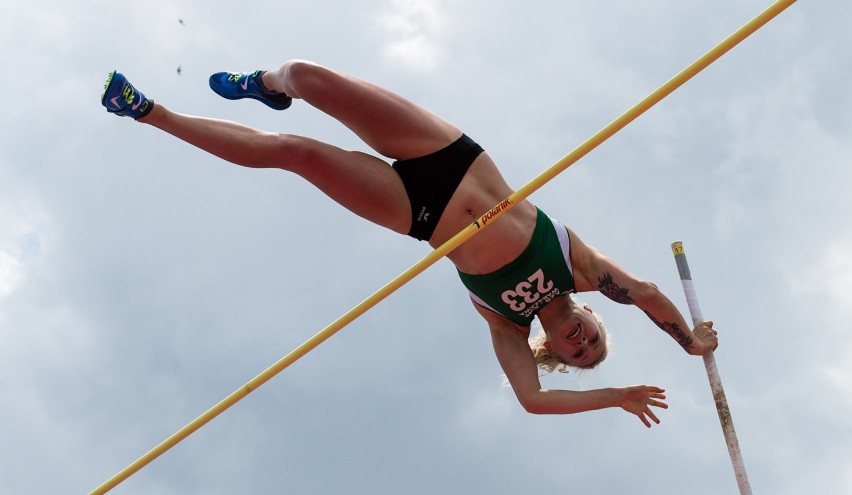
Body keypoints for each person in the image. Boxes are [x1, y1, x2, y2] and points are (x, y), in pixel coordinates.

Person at [101, 60, 718, 428]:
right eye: (593, 338)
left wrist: (616, 398)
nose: (581, 343)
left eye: (575, 354)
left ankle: (149, 112)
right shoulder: (581, 269)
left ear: (551, 344)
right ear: (589, 313)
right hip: (449, 154)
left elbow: (532, 401)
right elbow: (643, 291)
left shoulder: (506, 322)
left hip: (415, 212)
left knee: (295, 154)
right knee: (311, 78)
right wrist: (688, 342)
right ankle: (266, 82)